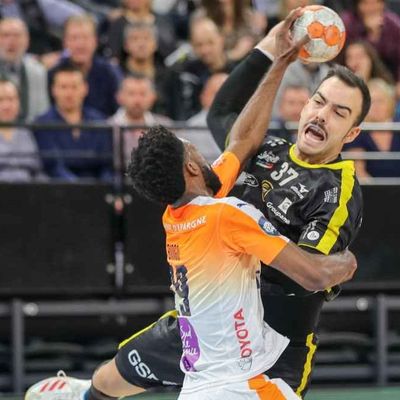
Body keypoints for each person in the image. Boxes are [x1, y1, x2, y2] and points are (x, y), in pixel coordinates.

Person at [26, 10, 369, 400]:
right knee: (110, 380)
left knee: (111, 377)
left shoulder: (333, 188)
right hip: (211, 327)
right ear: (305, 106)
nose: (323, 114)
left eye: (338, 112)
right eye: (319, 102)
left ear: (352, 131)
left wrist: (275, 52)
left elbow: (235, 131)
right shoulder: (242, 183)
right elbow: (307, 272)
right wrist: (343, 265)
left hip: (272, 344)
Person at [125, 123, 355, 399]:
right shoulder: (227, 215)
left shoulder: (175, 216)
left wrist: (273, 76)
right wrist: (347, 261)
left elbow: (242, 141)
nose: (203, 154)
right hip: (238, 385)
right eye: (194, 149)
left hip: (198, 385)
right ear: (191, 168)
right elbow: (314, 276)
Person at [34, 63, 112, 181]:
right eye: (63, 87)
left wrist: (102, 188)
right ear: (53, 90)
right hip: (59, 191)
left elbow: (107, 165)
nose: (69, 93)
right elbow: (53, 167)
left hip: (98, 190)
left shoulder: (100, 121)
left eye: (74, 87)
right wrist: (80, 189)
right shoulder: (42, 123)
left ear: (85, 88)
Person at [345, 78, 400, 180]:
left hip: (399, 190)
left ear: (389, 103)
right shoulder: (357, 129)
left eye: (380, 101)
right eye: (372, 102)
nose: (376, 107)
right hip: (369, 192)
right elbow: (358, 172)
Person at [48, 14, 122, 117]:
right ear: (65, 42)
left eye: (85, 37)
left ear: (95, 41)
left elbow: (120, 112)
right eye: (74, 38)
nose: (80, 44)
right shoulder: (53, 74)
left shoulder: (110, 72)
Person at [109, 74, 171, 171]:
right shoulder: (108, 127)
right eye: (131, 94)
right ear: (119, 97)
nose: (137, 100)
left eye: (143, 94)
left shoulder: (167, 127)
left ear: (153, 97)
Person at [0, 18, 50, 121]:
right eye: (5, 35)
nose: (11, 41)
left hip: (29, 132)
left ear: (27, 40)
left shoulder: (37, 71)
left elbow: (42, 110)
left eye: (17, 35)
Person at [0, 78, 44, 181]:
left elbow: (37, 171)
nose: (6, 106)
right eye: (0, 100)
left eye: (11, 99)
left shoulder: (27, 132)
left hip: (29, 193)